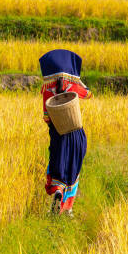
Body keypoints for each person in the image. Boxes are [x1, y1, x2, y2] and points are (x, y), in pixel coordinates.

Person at [39, 48, 92, 215]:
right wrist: (78, 81)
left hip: (58, 135)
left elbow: (46, 117)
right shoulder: (74, 87)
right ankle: (67, 209)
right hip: (76, 133)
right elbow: (89, 94)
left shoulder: (47, 90)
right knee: (73, 168)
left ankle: (58, 191)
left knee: (57, 167)